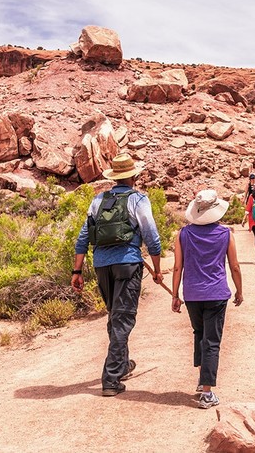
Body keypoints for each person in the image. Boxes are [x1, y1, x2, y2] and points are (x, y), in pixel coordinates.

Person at [71, 154, 163, 397]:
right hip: (128, 264)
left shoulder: (99, 199)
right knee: (123, 319)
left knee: (115, 316)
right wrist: (158, 269)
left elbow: (83, 237)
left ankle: (122, 364)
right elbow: (151, 235)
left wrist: (77, 270)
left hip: (101, 265)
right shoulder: (139, 199)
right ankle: (111, 378)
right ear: (133, 176)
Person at [173, 189, 243, 409]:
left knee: (200, 334)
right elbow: (234, 266)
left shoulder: (183, 234)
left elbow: (177, 267)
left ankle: (202, 379)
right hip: (216, 294)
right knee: (212, 341)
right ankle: (206, 393)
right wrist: (239, 291)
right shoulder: (225, 234)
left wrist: (175, 295)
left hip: (192, 294)